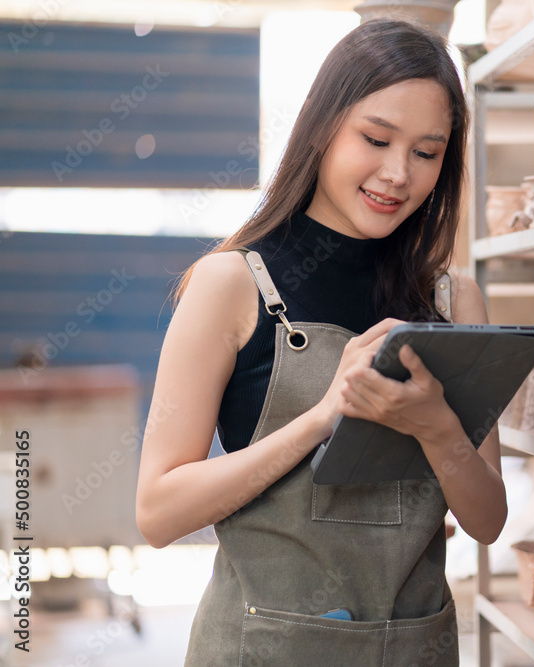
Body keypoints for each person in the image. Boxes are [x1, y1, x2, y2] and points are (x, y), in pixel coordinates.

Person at [135, 19, 506, 665]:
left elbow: (487, 521)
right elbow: (158, 512)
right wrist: (322, 417)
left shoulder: (453, 300)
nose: (398, 173)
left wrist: (439, 428)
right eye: (375, 138)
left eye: (427, 151)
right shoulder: (232, 283)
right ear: (321, 123)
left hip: (417, 645)